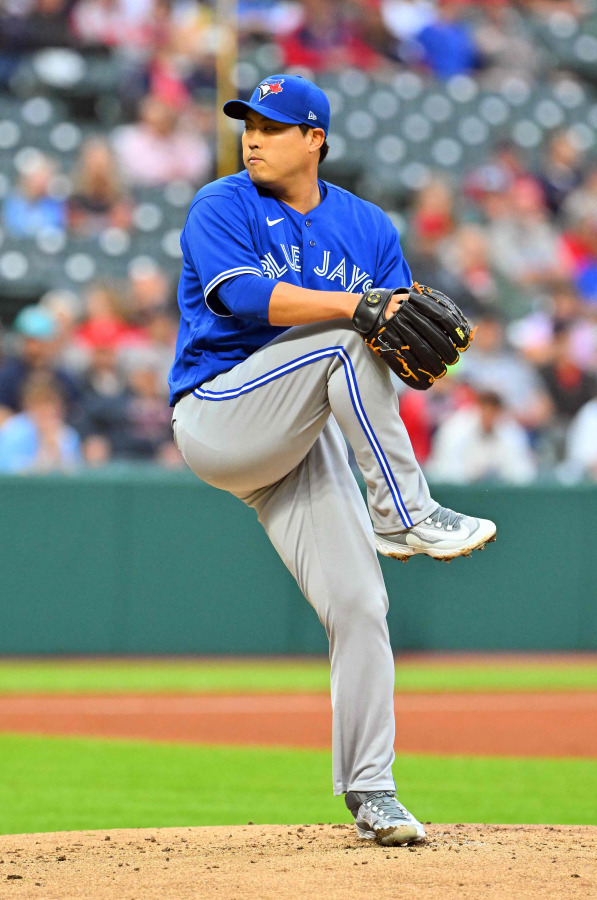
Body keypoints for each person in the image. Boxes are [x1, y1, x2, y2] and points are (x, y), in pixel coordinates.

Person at [168, 74, 496, 846]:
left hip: (298, 439)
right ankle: (408, 514)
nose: (253, 136)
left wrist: (412, 355)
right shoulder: (223, 203)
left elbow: (393, 342)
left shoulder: (370, 227)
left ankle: (373, 793)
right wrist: (362, 312)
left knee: (361, 608)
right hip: (219, 412)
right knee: (346, 339)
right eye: (249, 121)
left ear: (315, 138)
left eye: (274, 126)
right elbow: (244, 297)